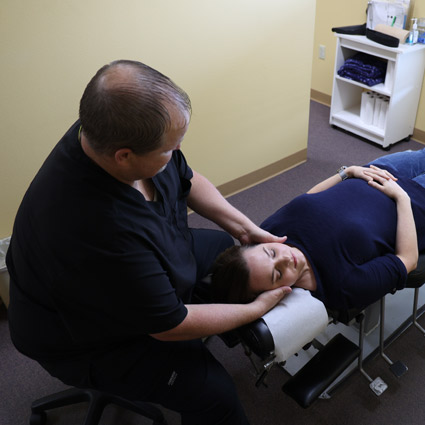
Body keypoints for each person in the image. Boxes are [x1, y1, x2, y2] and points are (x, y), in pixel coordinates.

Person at [6, 60, 290, 425]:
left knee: (225, 248)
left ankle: (240, 334)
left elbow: (189, 178)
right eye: (171, 148)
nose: (176, 153)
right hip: (88, 339)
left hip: (142, 259)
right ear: (124, 156)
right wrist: (258, 307)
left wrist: (246, 228)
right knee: (215, 395)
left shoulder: (105, 131)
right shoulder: (96, 230)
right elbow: (169, 324)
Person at [212, 149, 425, 311]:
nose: (285, 258)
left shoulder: (269, 235)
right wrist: (401, 198)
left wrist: (348, 172)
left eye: (271, 253)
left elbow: (308, 200)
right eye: (277, 274)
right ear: (276, 293)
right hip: (416, 202)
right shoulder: (342, 286)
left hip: (374, 171)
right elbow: (408, 260)